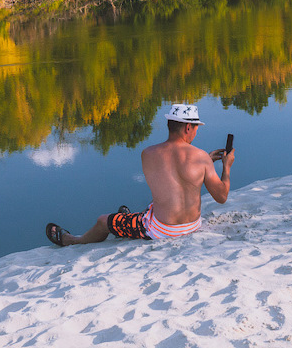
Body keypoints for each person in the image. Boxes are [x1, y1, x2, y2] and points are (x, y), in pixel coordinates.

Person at [45, 103, 234, 246]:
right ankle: (129, 219)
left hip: (161, 230)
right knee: (150, 209)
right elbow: (222, 196)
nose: (196, 132)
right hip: (192, 227)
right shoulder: (201, 158)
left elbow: (171, 176)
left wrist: (205, 161)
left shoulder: (148, 154)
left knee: (103, 221)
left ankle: (72, 241)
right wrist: (225, 167)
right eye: (196, 128)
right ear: (187, 128)